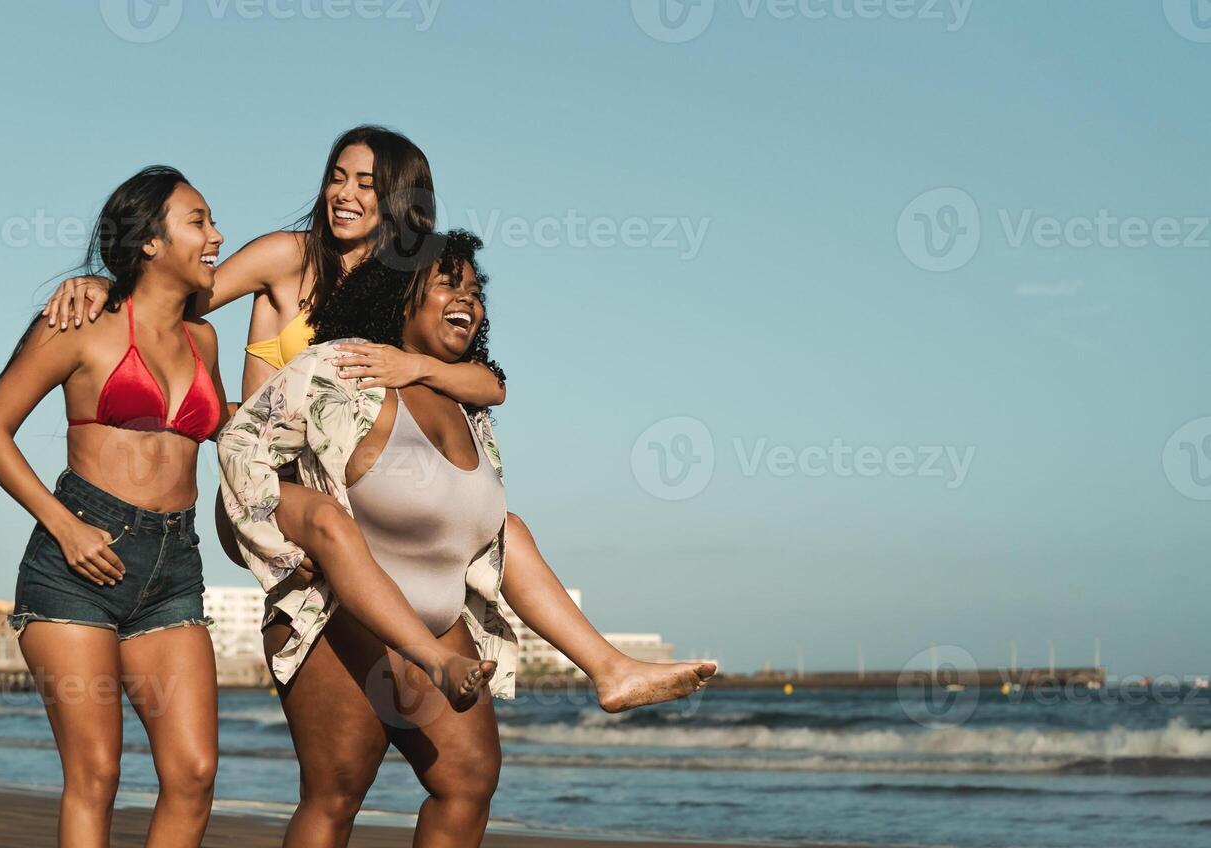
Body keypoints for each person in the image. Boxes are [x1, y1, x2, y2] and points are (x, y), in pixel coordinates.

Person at [44, 126, 715, 711]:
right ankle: (434, 656)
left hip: (358, 492)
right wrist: (104, 285)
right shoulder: (286, 257)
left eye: (366, 183)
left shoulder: (407, 287)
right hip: (271, 488)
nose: (344, 193)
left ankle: (610, 669)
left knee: (506, 528)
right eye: (337, 177)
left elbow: (488, 383)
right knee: (334, 525)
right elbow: (176, 294)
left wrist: (414, 367)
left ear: (400, 199)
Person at [220, 231, 714, 848]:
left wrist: (433, 371)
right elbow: (240, 442)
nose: (467, 299)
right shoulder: (340, 368)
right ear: (400, 298)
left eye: (475, 291)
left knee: (468, 779)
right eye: (446, 284)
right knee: (336, 791)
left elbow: (472, 521)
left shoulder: (466, 399)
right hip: (339, 616)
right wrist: (277, 535)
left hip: (437, 618)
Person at [0, 166, 227, 848]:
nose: (215, 235)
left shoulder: (207, 337)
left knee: (192, 770)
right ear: (151, 240)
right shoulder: (79, 324)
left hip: (172, 566)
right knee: (98, 771)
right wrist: (64, 522)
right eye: (199, 220)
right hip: (74, 565)